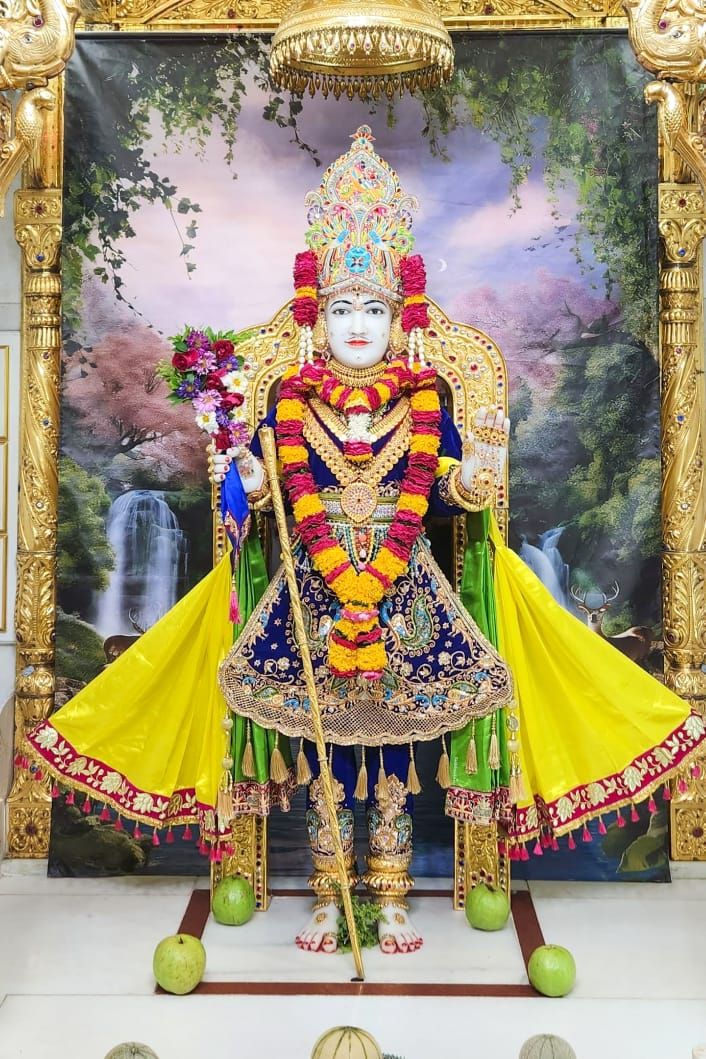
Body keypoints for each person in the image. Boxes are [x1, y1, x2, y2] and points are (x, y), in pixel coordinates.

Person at [24, 125, 706, 958]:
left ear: (400, 315)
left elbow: (452, 498)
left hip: (407, 599)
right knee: (320, 753)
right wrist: (238, 456)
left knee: (389, 754)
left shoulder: (427, 402)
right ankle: (327, 894)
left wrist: (478, 468)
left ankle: (386, 899)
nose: (357, 324)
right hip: (313, 596)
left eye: (373, 308)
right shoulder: (288, 405)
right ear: (318, 316)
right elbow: (262, 504)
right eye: (342, 307)